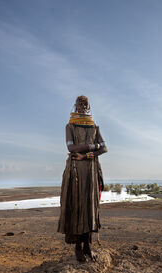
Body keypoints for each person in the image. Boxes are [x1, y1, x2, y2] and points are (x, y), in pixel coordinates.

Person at [57, 95, 108, 262]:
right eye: (80, 103)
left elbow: (104, 147)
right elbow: (71, 147)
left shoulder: (95, 127)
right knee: (76, 206)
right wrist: (94, 146)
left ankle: (88, 246)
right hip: (75, 171)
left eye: (85, 103)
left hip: (91, 169)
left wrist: (87, 154)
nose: (82, 105)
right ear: (75, 105)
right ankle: (78, 247)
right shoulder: (70, 126)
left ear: (89, 106)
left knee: (90, 207)